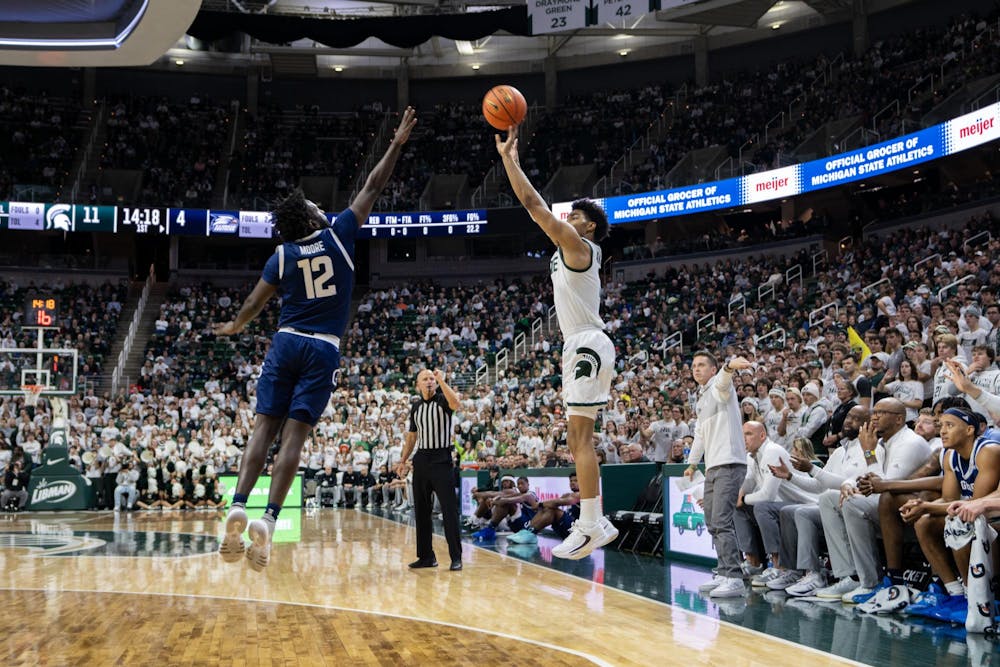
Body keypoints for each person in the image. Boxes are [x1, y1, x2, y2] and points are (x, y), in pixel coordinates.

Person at [214, 107, 417, 572]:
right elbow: (373, 186)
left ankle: (239, 504)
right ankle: (269, 518)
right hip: (323, 346)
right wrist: (395, 144)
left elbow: (254, 303)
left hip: (286, 340)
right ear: (310, 218)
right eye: (313, 207)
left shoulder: (282, 254)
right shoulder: (340, 234)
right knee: (294, 438)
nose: (319, 208)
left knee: (263, 428)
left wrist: (236, 326)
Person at [496, 125, 617, 560]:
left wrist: (509, 160)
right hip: (582, 342)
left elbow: (533, 206)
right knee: (577, 439)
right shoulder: (572, 249)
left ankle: (591, 522)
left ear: (590, 226)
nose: (569, 218)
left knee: (579, 439)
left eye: (577, 216)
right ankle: (595, 520)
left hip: (585, 341)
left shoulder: (579, 246)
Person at [685, 352, 753, 598]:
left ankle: (734, 578)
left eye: (702, 365)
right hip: (713, 466)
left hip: (730, 463)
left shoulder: (721, 386)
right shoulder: (701, 397)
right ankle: (724, 572)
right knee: (712, 523)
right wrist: (692, 463)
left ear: (713, 369)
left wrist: (728, 367)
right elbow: (700, 434)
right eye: (694, 365)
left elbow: (724, 382)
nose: (696, 369)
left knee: (722, 522)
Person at [398, 368, 464, 571]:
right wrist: (403, 460)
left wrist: (442, 380)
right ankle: (426, 556)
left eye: (431, 379)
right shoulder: (416, 406)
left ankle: (456, 557)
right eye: (425, 379)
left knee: (449, 510)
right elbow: (412, 436)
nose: (429, 381)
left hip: (441, 458)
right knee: (421, 510)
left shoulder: (443, 400)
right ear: (418, 384)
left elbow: (456, 404)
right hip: (421, 459)